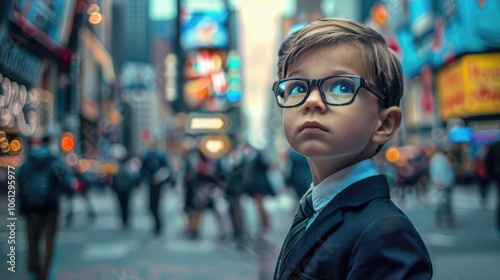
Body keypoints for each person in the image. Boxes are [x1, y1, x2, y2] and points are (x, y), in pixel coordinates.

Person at [271, 18, 432, 279]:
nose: (312, 101)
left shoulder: (386, 233)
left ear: (385, 123)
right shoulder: (314, 208)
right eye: (298, 87)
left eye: (341, 87)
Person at [18, 135, 75, 280]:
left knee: (32, 240)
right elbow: (66, 182)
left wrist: (22, 206)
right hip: (51, 207)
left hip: (32, 208)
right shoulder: (54, 161)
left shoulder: (28, 161)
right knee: (49, 242)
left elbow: (20, 181)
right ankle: (44, 273)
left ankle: (33, 269)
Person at [141, 140, 172, 236]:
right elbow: (142, 171)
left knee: (155, 205)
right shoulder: (147, 157)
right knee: (152, 206)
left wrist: (160, 179)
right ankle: (157, 225)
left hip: (158, 184)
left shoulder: (160, 157)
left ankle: (158, 226)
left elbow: (167, 170)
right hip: (151, 184)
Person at [429, 143, 457, 228]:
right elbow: (437, 172)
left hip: (447, 184)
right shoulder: (438, 159)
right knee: (442, 203)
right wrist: (439, 183)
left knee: (446, 203)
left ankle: (447, 220)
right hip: (442, 184)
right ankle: (442, 220)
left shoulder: (443, 158)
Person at [485, 135, 500, 237]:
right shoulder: (494, 145)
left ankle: (498, 226)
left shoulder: (494, 146)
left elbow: (488, 162)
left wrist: (491, 175)